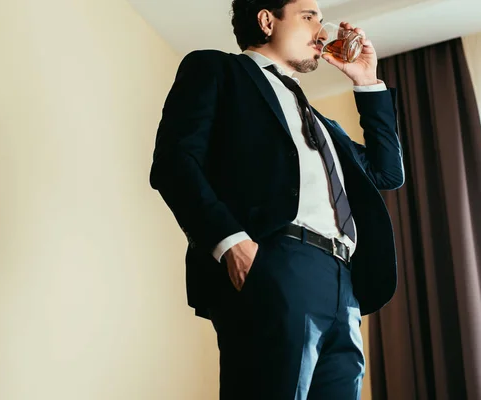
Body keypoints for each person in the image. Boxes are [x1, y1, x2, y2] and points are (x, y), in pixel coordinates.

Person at [149, 0, 404, 397]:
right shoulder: (218, 70)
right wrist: (231, 242)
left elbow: (388, 173)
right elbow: (174, 163)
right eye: (309, 17)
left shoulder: (324, 126)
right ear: (267, 20)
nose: (321, 31)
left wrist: (366, 80)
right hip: (276, 262)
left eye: (321, 19)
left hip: (344, 286)